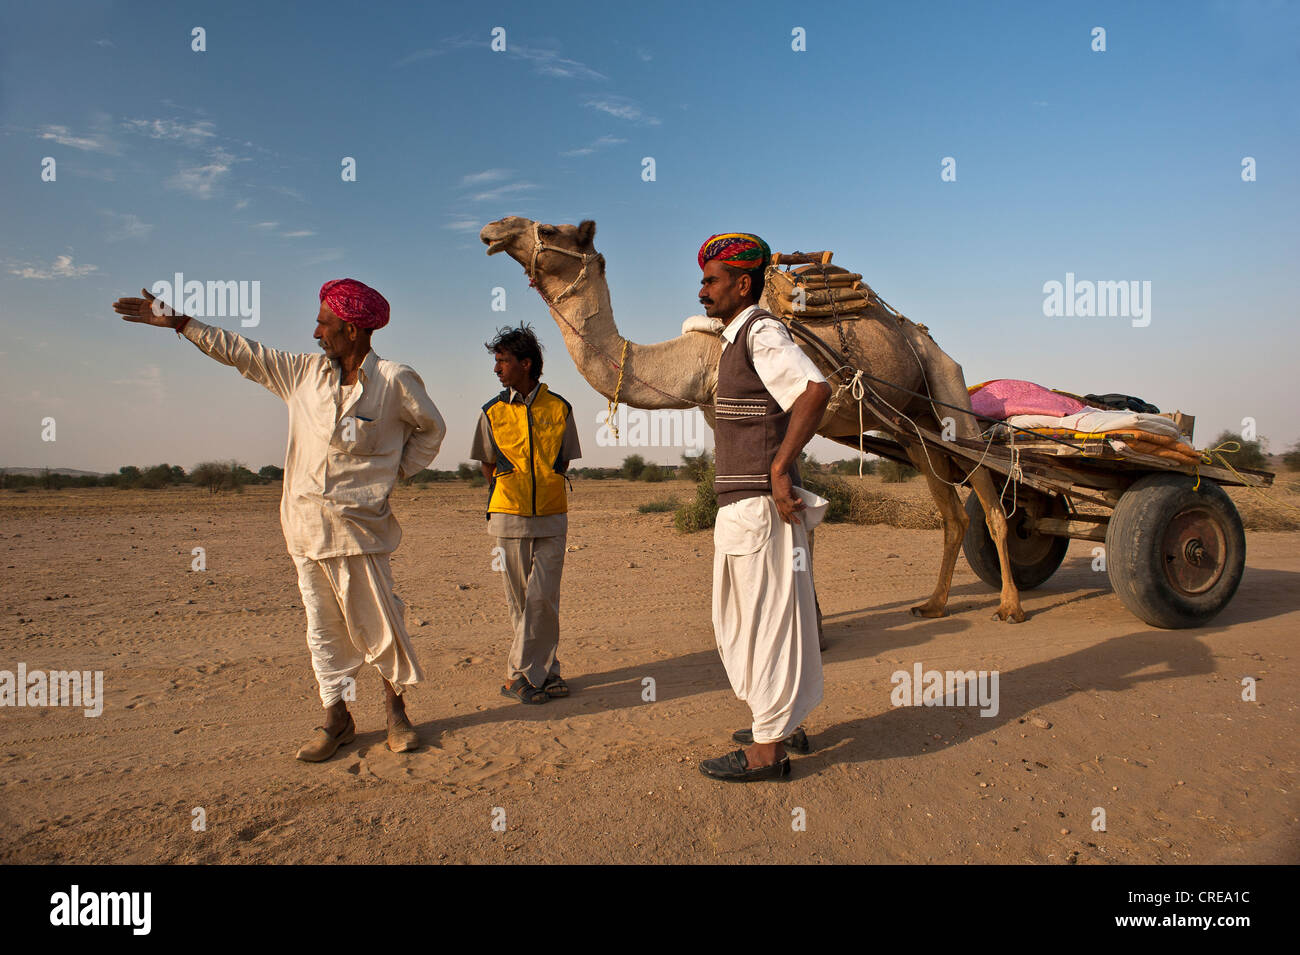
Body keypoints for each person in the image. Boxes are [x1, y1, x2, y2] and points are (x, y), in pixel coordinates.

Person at [113, 279, 446, 761]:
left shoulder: (395, 380)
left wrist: (392, 473)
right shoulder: (300, 374)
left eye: (324, 324)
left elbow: (432, 430)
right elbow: (239, 351)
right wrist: (182, 323)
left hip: (360, 528)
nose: (316, 332)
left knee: (381, 621)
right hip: (305, 527)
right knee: (322, 627)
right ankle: (337, 719)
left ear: (351, 330)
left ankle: (397, 714)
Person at [694, 233, 832, 782]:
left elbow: (813, 391)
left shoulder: (760, 331)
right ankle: (776, 723)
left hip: (758, 507)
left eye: (712, 280)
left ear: (742, 284)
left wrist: (779, 469)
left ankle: (767, 753)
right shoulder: (735, 339)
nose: (702, 289)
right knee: (748, 623)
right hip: (744, 508)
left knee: (763, 625)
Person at [470, 325, 581, 704]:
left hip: (552, 515)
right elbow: (487, 464)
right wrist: (510, 490)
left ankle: (519, 675)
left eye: (503, 360)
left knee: (543, 598)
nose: (497, 368)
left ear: (526, 363)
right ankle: (544, 673)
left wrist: (544, 483)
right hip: (508, 516)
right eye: (496, 361)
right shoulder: (492, 412)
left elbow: (563, 460)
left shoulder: (560, 408)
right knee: (521, 600)